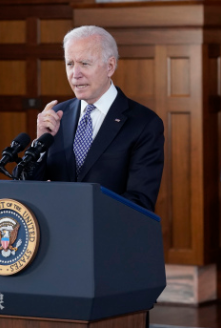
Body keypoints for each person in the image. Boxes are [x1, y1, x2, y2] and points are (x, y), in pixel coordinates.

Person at [28, 25, 165, 212]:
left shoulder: (144, 123)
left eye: (84, 63)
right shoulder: (57, 115)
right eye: (70, 64)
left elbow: (139, 201)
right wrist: (40, 146)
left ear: (110, 66)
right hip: (57, 235)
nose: (75, 74)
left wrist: (80, 211)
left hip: (108, 236)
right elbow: (27, 189)